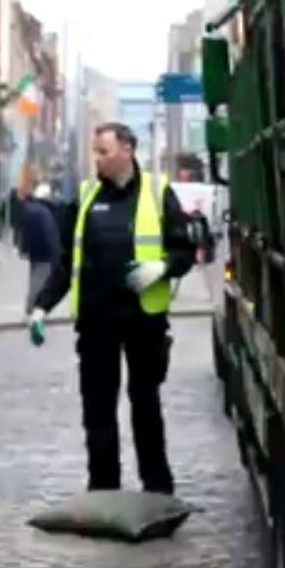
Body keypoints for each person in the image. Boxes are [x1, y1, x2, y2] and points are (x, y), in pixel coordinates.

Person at [29, 122, 199, 495]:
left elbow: (185, 251)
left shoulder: (158, 192)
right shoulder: (86, 197)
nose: (98, 159)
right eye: (96, 152)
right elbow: (65, 263)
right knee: (98, 411)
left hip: (144, 322)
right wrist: (41, 306)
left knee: (146, 407)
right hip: (96, 323)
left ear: (127, 150)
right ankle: (103, 489)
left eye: (103, 152)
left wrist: (162, 267)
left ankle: (157, 488)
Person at [20, 182, 61, 313]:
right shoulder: (44, 212)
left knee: (35, 278)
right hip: (45, 253)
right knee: (40, 280)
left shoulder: (30, 209)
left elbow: (24, 232)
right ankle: (32, 307)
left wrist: (24, 249)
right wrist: (55, 251)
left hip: (35, 252)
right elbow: (49, 233)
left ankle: (31, 305)